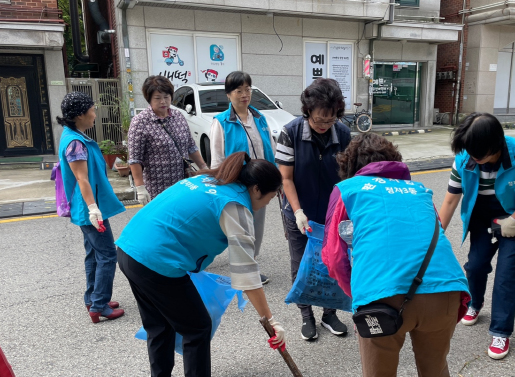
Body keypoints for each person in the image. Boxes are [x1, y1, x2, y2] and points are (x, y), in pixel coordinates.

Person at [322, 133, 470, 377]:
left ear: (352, 167)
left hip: (382, 299)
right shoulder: (419, 191)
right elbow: (430, 235)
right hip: (445, 290)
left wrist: (358, 295)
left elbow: (333, 256)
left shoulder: (348, 191)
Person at [115, 152, 286, 377]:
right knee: (197, 327)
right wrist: (270, 319)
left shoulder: (208, 180)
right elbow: (246, 272)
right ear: (255, 189)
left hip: (130, 250)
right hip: (157, 260)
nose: (265, 205)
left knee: (159, 323)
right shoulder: (235, 205)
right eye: (269, 198)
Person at [438, 112, 515, 360]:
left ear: (496, 145)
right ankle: (475, 303)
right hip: (482, 215)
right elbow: (450, 200)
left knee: (506, 275)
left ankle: (501, 331)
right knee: (475, 266)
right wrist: (435, 238)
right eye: (471, 155)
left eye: (480, 156)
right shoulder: (465, 156)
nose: (474, 161)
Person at [276, 78, 352, 341]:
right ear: (307, 110)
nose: (324, 125)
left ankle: (330, 314)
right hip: (299, 213)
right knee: (302, 266)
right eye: (319, 119)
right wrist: (297, 211)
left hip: (332, 214)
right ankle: (306, 316)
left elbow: (347, 177)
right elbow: (286, 178)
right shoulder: (291, 132)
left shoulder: (342, 134)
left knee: (334, 263)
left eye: (330, 120)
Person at [56, 92, 126, 324]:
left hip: (85, 206)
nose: (95, 114)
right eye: (92, 110)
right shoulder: (75, 142)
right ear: (79, 115)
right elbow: (81, 178)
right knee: (107, 255)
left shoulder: (75, 136)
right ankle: (99, 305)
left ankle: (93, 298)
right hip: (89, 208)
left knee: (94, 255)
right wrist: (94, 209)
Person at [209, 71, 276, 285]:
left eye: (248, 89)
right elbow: (218, 158)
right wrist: (220, 185)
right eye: (239, 91)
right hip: (237, 183)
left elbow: (270, 150)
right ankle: (242, 271)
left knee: (257, 225)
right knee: (241, 227)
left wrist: (276, 179)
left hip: (261, 181)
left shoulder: (260, 117)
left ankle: (251, 265)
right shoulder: (221, 122)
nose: (244, 94)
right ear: (229, 95)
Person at [128, 75, 208, 205]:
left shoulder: (178, 116)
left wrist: (204, 168)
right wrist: (140, 188)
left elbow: (191, 146)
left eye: (166, 97)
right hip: (156, 188)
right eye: (157, 98)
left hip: (182, 184)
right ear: (149, 99)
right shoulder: (140, 122)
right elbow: (135, 159)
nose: (163, 102)